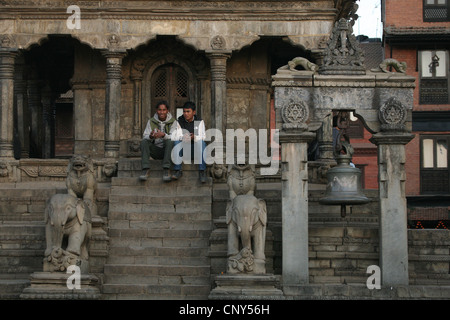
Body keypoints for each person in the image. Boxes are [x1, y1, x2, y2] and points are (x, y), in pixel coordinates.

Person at [170, 101, 207, 183]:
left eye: (188, 111)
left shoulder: (199, 122)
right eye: (184, 111)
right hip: (184, 151)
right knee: (176, 143)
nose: (186, 114)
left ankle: (202, 171)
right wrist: (183, 137)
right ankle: (177, 170)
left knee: (202, 143)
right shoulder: (179, 121)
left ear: (194, 112)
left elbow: (203, 137)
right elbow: (175, 136)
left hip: (195, 151)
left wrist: (194, 137)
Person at [139, 101, 175, 182]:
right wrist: (151, 136)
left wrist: (163, 135)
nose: (161, 112)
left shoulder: (173, 122)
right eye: (159, 110)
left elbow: (175, 137)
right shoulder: (151, 121)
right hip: (155, 151)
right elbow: (145, 136)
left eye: (164, 110)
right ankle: (145, 169)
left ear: (167, 111)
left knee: (170, 141)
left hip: (168, 151)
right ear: (156, 110)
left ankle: (166, 169)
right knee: (144, 141)